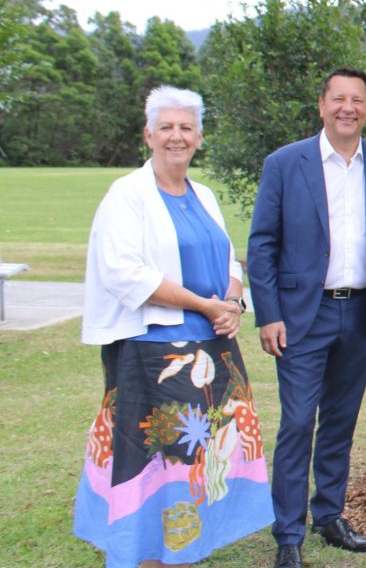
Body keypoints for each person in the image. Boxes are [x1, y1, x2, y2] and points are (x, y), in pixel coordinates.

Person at [74, 86, 273, 568]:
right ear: (148, 134)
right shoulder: (127, 195)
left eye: (186, 127)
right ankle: (148, 558)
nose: (176, 136)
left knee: (199, 466)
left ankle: (183, 555)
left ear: (199, 137)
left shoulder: (202, 194)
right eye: (166, 127)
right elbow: (125, 273)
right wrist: (204, 306)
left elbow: (228, 257)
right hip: (152, 358)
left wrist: (229, 302)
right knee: (156, 470)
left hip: (213, 353)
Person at [248, 67, 366, 568]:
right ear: (321, 105)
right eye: (338, 98)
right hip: (301, 316)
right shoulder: (285, 164)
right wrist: (268, 314)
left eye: (358, 100)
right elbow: (262, 245)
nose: (348, 108)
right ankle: (288, 533)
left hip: (361, 314)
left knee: (340, 421)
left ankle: (329, 516)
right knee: (298, 422)